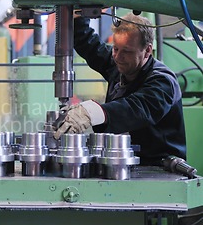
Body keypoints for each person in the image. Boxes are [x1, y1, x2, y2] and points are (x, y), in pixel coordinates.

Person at [54, 12, 186, 165]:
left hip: (159, 168)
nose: (118, 57)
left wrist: (91, 112)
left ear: (147, 50)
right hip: (124, 162)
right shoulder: (120, 65)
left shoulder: (163, 81)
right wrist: (78, 15)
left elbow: (137, 108)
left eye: (127, 51)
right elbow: (88, 44)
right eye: (116, 49)